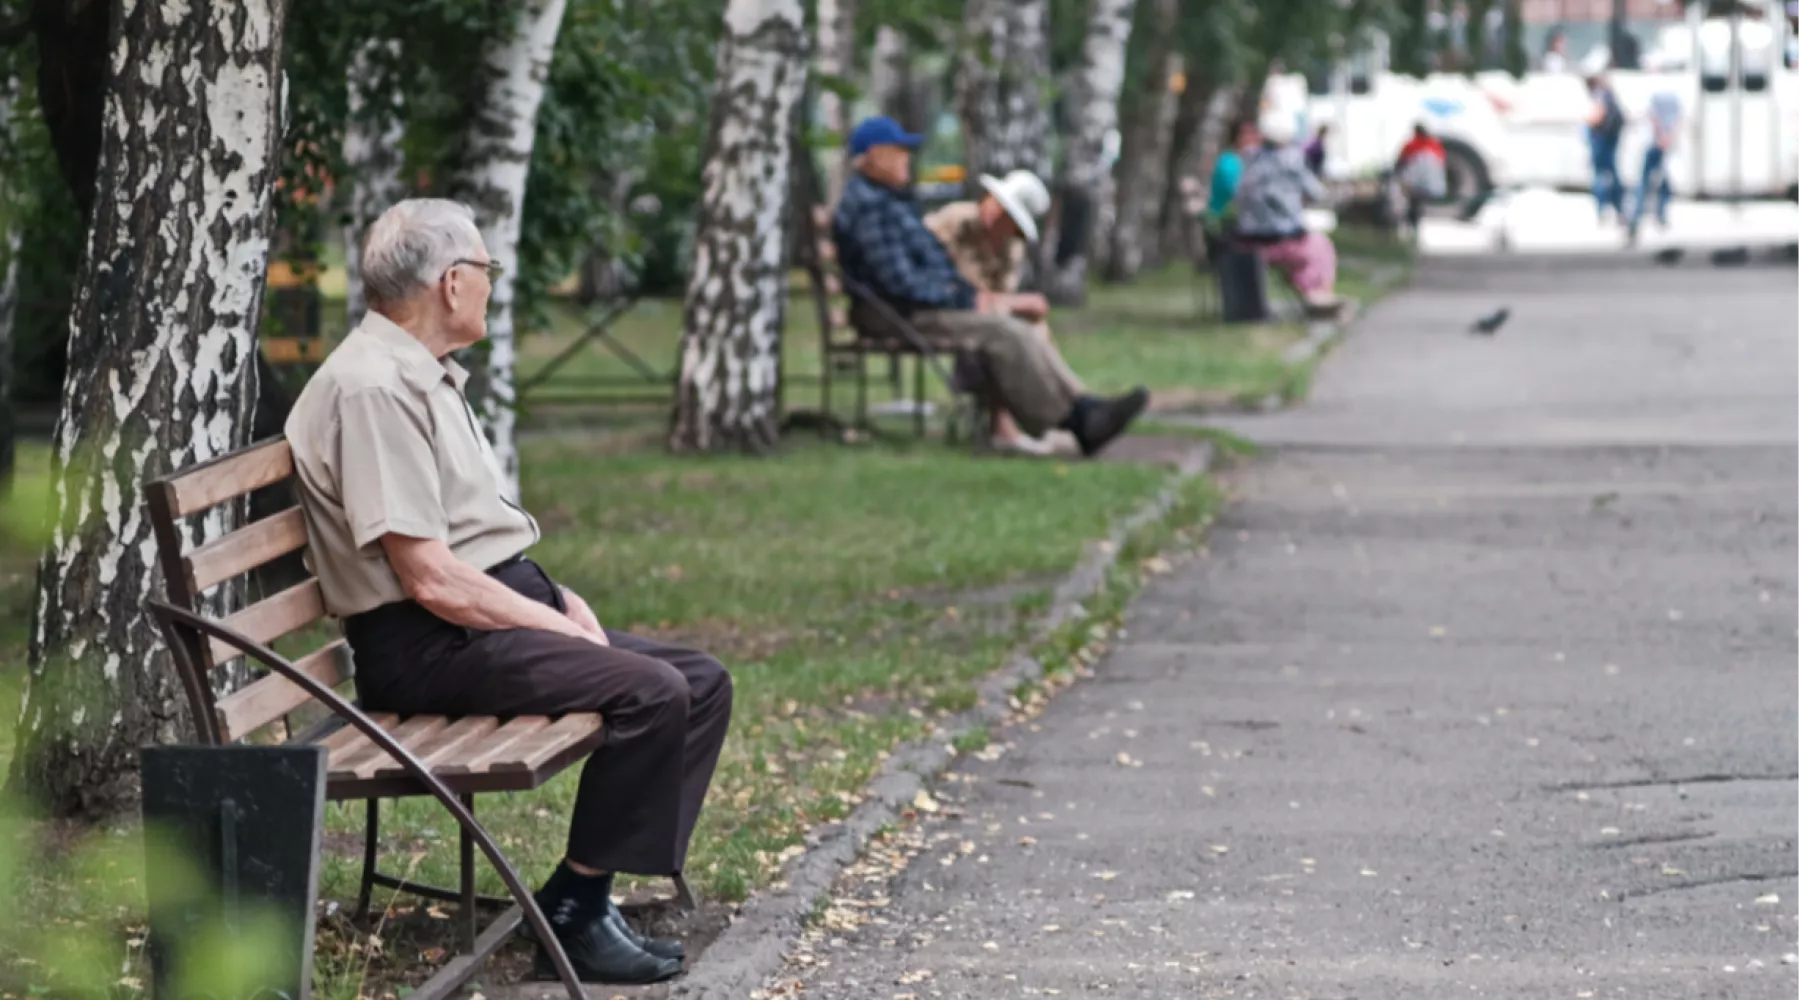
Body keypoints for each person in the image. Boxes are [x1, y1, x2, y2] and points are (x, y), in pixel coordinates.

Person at [285, 199, 733, 986]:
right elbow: (427, 578)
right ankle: (580, 914)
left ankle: (579, 893)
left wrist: (559, 598)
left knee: (700, 682)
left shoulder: (416, 374)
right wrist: (550, 623)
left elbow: (473, 535)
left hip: (473, 621)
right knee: (654, 693)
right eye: (488, 272)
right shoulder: (373, 389)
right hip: (426, 647)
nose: (493, 286)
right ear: (452, 283)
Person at [832, 116, 1149, 457]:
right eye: (900, 151)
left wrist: (966, 297)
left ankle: (1084, 410)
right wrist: (965, 300)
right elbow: (898, 282)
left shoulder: (889, 203)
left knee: (1013, 327)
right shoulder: (870, 208)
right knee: (1004, 332)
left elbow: (922, 273)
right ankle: (1075, 422)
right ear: (875, 156)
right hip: (896, 313)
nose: (908, 158)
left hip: (912, 307)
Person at [923, 169, 1084, 456]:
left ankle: (1075, 401)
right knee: (1008, 332)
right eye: (997, 203)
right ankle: (1061, 416)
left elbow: (998, 295)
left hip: (977, 310)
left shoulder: (1011, 248)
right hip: (949, 308)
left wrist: (1011, 304)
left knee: (1033, 328)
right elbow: (929, 270)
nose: (994, 213)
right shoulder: (952, 220)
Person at [1231, 111, 1347, 319]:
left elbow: (1236, 195)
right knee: (1319, 246)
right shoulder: (1292, 160)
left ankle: (1311, 295)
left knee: (1304, 246)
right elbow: (1316, 193)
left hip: (1246, 243)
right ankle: (1317, 295)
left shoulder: (1248, 158)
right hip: (1281, 241)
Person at [1628, 87, 1681, 244]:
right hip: (1663, 142)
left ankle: (1640, 216)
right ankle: (1657, 215)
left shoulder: (1653, 91)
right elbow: (1679, 117)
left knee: (1647, 181)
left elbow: (1652, 115)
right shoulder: (1674, 93)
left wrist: (1661, 136)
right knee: (1661, 179)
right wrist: (1667, 137)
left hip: (1655, 142)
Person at [1585, 73, 1626, 222]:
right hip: (1611, 140)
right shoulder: (1610, 94)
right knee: (1612, 174)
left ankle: (1602, 208)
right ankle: (1618, 207)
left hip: (1601, 141)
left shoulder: (1599, 95)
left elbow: (1597, 116)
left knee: (1600, 176)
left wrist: (1587, 120)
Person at [1394, 123, 1448, 235]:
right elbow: (1442, 164)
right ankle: (1414, 225)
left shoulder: (1412, 144)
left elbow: (1400, 163)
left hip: (1414, 184)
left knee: (1412, 203)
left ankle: (1411, 226)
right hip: (1432, 185)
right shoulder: (1435, 144)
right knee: (1416, 204)